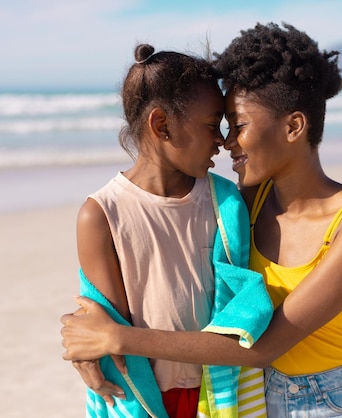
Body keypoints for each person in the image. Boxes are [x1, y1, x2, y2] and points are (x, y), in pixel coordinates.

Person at [62, 22, 342, 417]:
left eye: (238, 126)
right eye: (221, 126)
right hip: (253, 400)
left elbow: (265, 346)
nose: (227, 141)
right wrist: (85, 333)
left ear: (293, 126)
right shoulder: (244, 203)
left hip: (335, 403)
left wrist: (116, 338)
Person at [69, 43, 273, 418]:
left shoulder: (224, 201)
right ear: (161, 124)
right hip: (146, 397)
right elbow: (110, 332)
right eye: (212, 125)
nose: (221, 140)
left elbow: (240, 297)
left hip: (214, 390)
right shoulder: (101, 214)